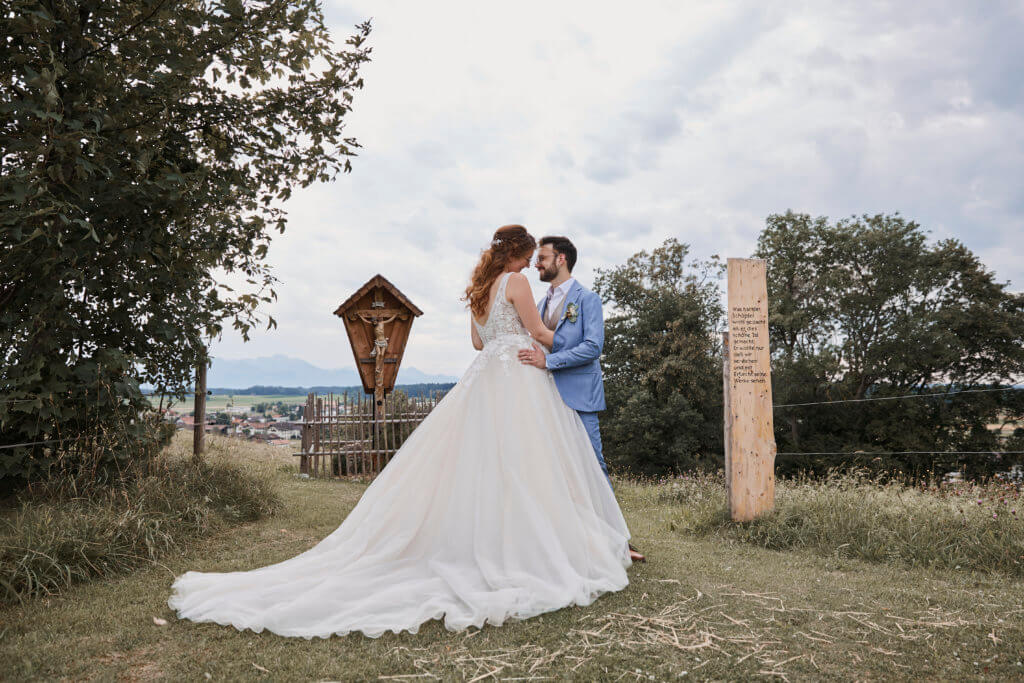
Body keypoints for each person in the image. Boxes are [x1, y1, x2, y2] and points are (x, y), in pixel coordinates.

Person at [168, 225, 633, 639]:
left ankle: (494, 539)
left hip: (486, 373)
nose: (533, 264)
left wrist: (512, 338)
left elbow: (478, 341)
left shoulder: (479, 290)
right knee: (527, 460)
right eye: (529, 255)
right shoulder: (516, 283)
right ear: (517, 255)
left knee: (484, 460)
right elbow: (536, 331)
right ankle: (534, 546)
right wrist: (566, 344)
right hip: (518, 373)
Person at [518, 236, 646, 564]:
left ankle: (620, 542)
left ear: (561, 259)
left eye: (543, 257)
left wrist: (550, 361)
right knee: (553, 468)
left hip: (579, 396)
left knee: (593, 466)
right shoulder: (541, 302)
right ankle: (568, 539)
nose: (537, 263)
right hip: (545, 396)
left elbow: (592, 347)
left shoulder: (587, 299)